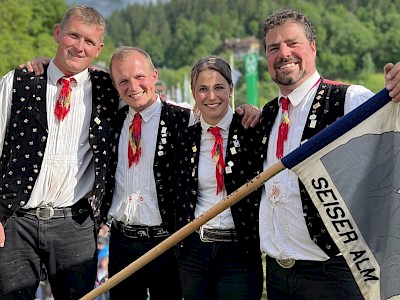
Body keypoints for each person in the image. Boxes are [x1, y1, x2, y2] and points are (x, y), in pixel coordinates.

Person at [258, 8, 400, 299]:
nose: (283, 53)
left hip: (334, 273)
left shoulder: (351, 100)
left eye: (292, 43)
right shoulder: (266, 114)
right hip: (276, 275)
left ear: (313, 47)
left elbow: (392, 138)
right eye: (273, 48)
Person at [99, 47, 262, 299]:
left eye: (140, 77)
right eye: (123, 81)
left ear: (154, 75)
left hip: (168, 242)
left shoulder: (183, 121)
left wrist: (249, 109)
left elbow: (217, 114)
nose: (133, 86)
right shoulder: (111, 120)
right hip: (122, 241)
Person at [0, 5, 120, 300]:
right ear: (58, 33)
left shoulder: (108, 90)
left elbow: (148, 106)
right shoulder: (17, 82)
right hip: (16, 222)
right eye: (73, 36)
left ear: (98, 48)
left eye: (89, 42)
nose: (79, 47)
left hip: (75, 225)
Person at [174, 55, 267, 299]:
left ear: (231, 89)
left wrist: (252, 109)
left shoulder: (251, 129)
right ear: (194, 94)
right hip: (195, 251)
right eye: (203, 89)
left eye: (219, 88)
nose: (211, 96)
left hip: (239, 251)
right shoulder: (185, 139)